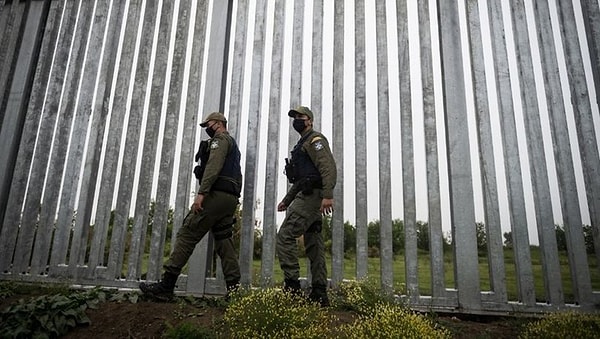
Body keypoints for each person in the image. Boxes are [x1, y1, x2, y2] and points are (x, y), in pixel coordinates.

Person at [140, 112, 243, 301]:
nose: (207, 129)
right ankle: (235, 291)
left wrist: (201, 194)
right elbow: (238, 175)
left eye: (208, 125)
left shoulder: (220, 140)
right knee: (223, 241)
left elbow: (213, 166)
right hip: (230, 199)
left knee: (188, 233)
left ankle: (166, 285)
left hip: (216, 196)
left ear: (219, 124)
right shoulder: (234, 146)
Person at [277, 105, 337, 306]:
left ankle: (292, 288)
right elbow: (301, 180)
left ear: (309, 120)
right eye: (294, 117)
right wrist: (287, 200)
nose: (297, 120)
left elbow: (327, 167)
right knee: (314, 244)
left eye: (300, 117)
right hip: (307, 194)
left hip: (313, 197)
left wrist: (328, 195)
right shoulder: (301, 144)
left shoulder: (315, 140)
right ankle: (319, 293)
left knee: (285, 236)